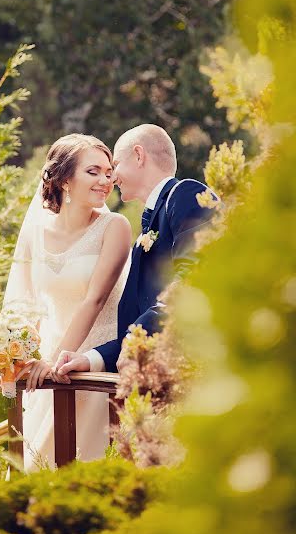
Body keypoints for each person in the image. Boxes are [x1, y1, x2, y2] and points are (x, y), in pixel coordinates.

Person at [3, 134, 131, 470]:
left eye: (108, 172)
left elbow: (95, 298)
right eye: (94, 172)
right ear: (64, 179)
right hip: (47, 367)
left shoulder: (115, 227)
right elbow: (27, 303)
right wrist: (21, 355)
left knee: (84, 465)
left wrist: (60, 359)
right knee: (36, 465)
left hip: (91, 365)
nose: (106, 180)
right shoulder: (36, 233)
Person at [55, 124, 218, 376]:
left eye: (115, 165)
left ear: (139, 155)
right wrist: (88, 359)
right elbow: (133, 328)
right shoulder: (148, 226)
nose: (111, 178)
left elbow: (195, 277)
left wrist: (137, 335)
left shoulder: (186, 194)